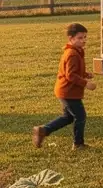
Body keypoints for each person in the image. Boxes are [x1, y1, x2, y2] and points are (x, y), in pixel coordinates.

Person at [32, 22, 96, 150]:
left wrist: (84, 74)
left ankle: (43, 130)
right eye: (80, 38)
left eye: (84, 37)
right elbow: (70, 75)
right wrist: (86, 83)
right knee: (80, 116)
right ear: (71, 39)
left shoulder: (76, 51)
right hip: (68, 92)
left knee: (68, 117)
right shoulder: (72, 54)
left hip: (66, 91)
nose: (83, 40)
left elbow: (73, 71)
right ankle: (78, 144)